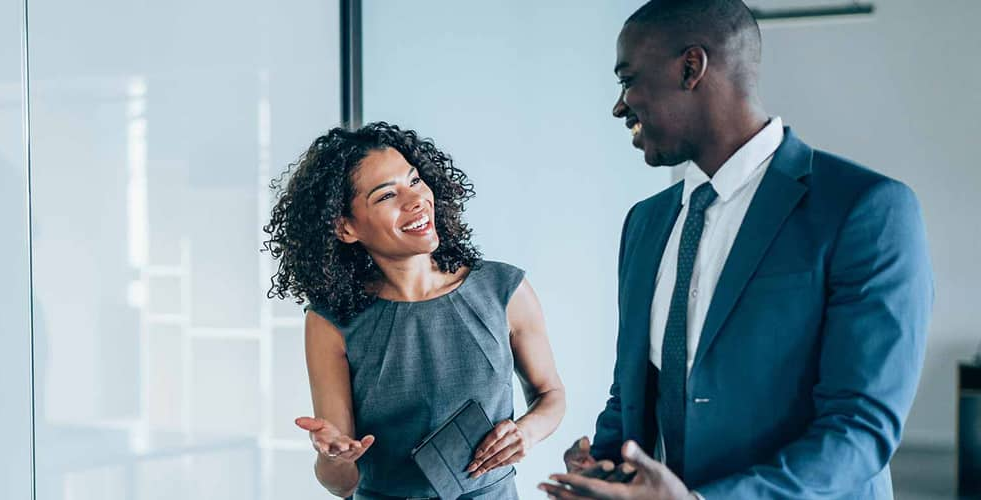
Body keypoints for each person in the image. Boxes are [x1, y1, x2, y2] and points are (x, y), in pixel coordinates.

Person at [541, 1, 933, 499]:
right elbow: (635, 391)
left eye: (629, 79)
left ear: (691, 68)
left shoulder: (865, 210)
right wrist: (604, 465)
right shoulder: (645, 222)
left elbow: (858, 431)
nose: (620, 106)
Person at [265, 122, 566, 499]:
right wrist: (336, 457)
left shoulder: (504, 289)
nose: (415, 200)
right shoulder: (331, 322)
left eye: (414, 180)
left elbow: (551, 394)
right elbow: (341, 484)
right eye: (387, 195)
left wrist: (527, 432)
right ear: (345, 228)